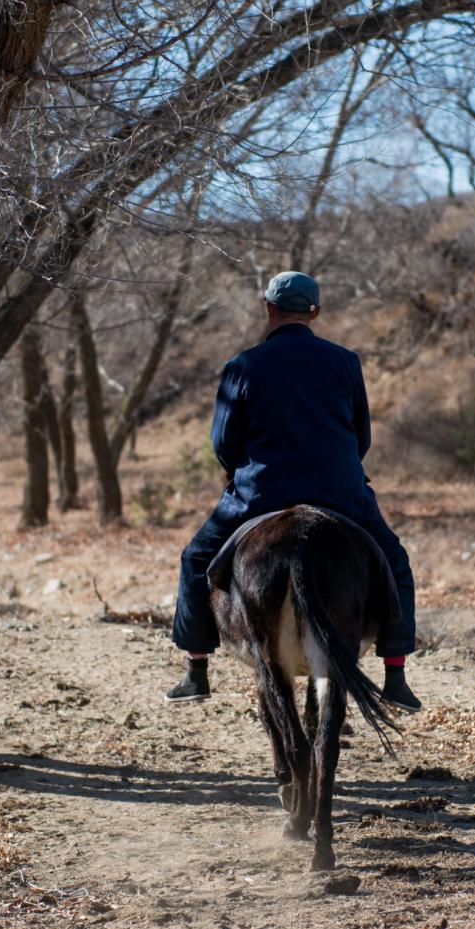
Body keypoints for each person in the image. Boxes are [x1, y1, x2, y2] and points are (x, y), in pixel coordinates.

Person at [165, 271, 420, 712]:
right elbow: (361, 438)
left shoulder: (241, 365)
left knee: (195, 560)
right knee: (394, 562)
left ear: (268, 309)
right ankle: (395, 674)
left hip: (259, 494)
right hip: (340, 492)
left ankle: (197, 667)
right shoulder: (346, 362)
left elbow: (223, 443)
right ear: (315, 312)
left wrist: (241, 472)